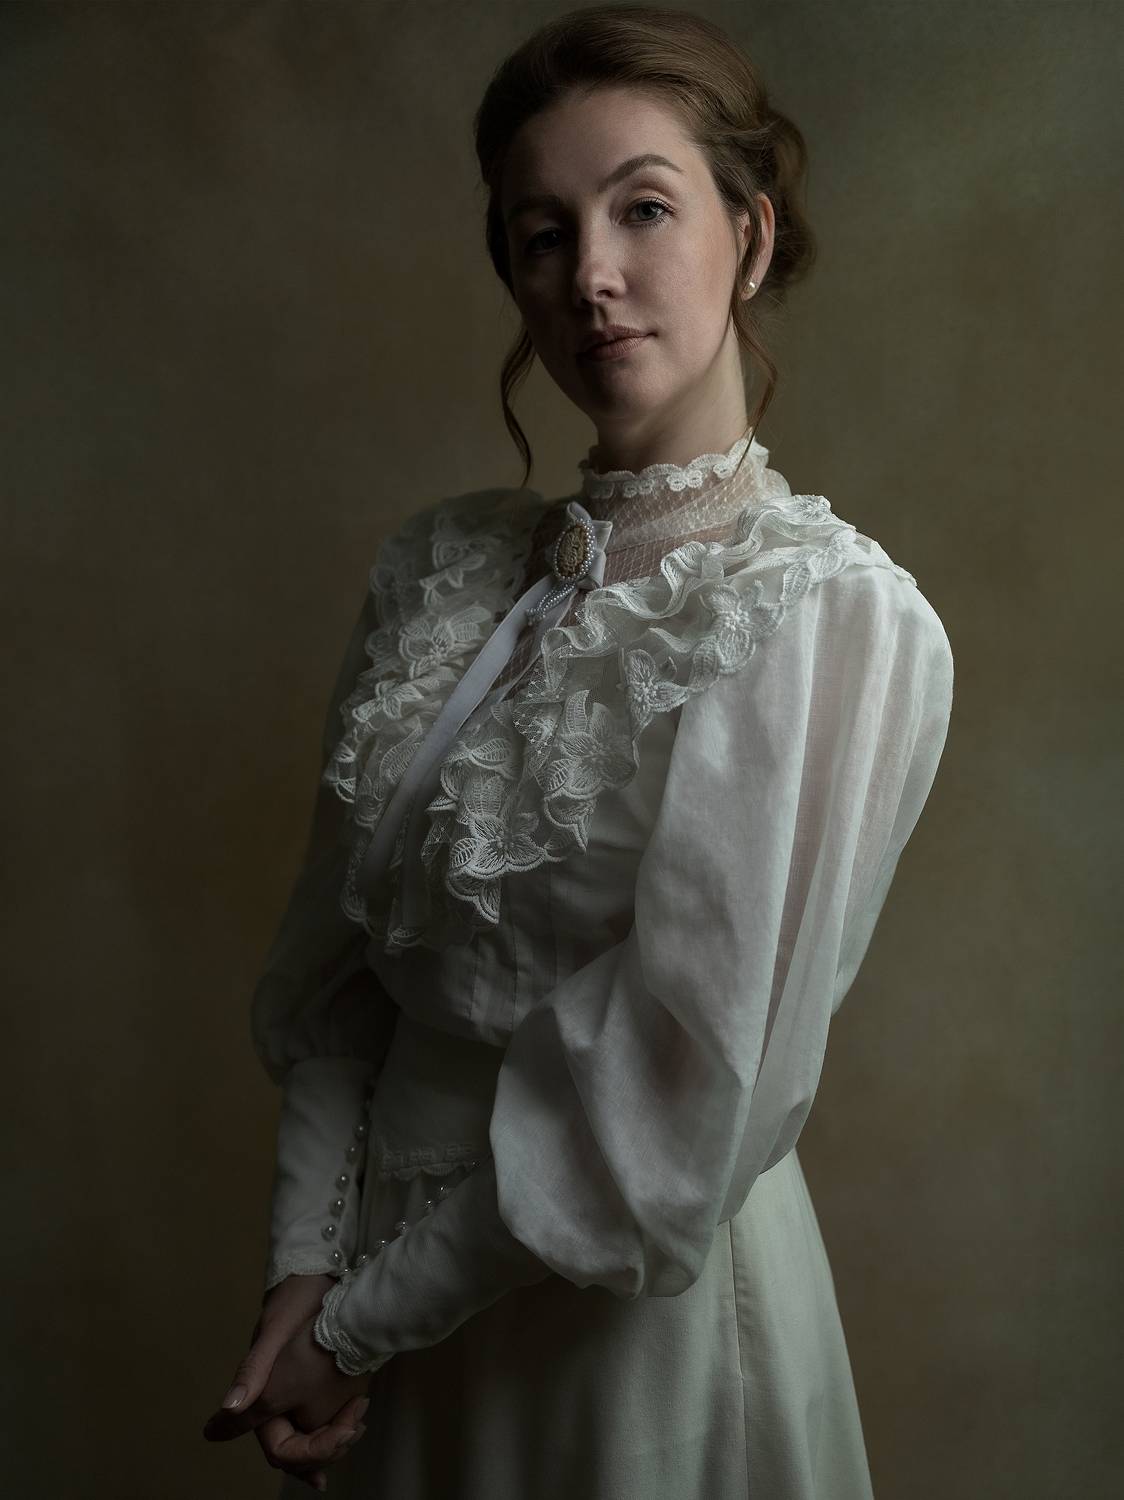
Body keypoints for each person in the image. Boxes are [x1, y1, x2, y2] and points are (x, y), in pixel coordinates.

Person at [201, 6, 954, 1496]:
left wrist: (354, 1328)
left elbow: (672, 1112)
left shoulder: (822, 616)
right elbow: (338, 980)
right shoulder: (440, 570)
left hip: (621, 1337)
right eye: (541, 235)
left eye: (644, 209)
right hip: (376, 1310)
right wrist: (304, 1273)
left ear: (749, 235)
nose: (591, 276)